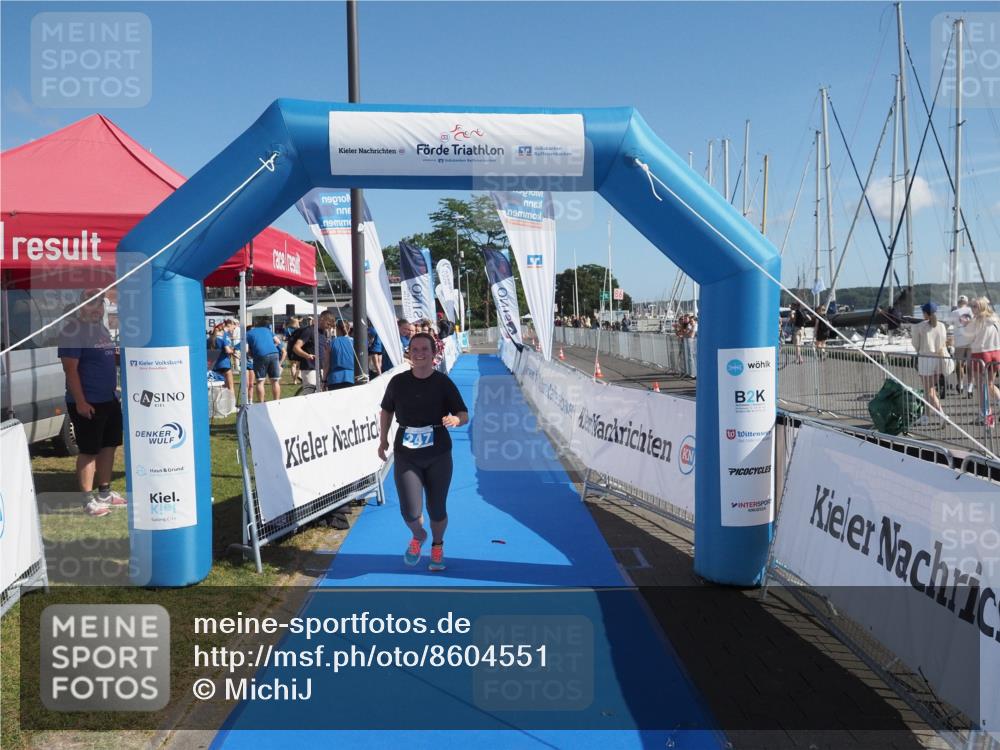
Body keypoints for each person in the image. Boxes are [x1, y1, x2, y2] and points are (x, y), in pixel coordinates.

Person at [377, 332, 469, 572]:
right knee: (410, 511)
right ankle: (419, 536)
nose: (419, 354)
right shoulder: (398, 382)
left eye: (424, 349)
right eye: (414, 349)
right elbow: (386, 411)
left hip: (438, 452)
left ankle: (437, 546)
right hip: (407, 453)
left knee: (437, 508)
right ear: (408, 353)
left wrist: (455, 420)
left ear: (433, 353)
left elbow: (463, 413)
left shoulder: (442, 382)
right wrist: (383, 439)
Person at [58, 290, 126, 516]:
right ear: (80, 307)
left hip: (109, 398)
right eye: (91, 305)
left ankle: (104, 491)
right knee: (89, 450)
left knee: (109, 445)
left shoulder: (101, 329)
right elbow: (70, 369)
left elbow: (105, 357)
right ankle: (87, 500)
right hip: (88, 402)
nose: (96, 310)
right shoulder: (72, 331)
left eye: (100, 306)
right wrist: (80, 402)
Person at [911, 302, 949, 426]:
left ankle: (942, 415)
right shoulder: (942, 326)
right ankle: (926, 416)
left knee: (929, 390)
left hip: (925, 359)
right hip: (938, 359)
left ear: (925, 313)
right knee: (929, 390)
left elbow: (915, 344)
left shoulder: (919, 326)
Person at [968, 297, 1000, 426]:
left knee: (982, 386)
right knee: (989, 384)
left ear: (981, 307)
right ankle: (987, 412)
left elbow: (968, 337)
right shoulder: (995, 319)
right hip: (996, 352)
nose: (972, 309)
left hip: (981, 353)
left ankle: (986, 415)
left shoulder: (977, 321)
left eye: (974, 306)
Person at [292, 313, 333, 393]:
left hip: (321, 369)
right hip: (310, 370)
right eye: (328, 324)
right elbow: (296, 347)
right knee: (310, 396)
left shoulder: (323, 332)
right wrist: (307, 355)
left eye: (330, 325)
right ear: (322, 319)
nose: (329, 326)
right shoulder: (309, 331)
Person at [246, 317, 282, 402]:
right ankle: (277, 402)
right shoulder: (267, 330)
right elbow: (278, 342)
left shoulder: (248, 333)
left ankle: (261, 403)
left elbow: (246, 350)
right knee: (275, 380)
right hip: (274, 353)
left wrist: (252, 354)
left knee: (260, 381)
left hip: (260, 354)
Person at [950, 295, 975, 398]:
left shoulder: (954, 313)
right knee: (970, 366)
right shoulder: (971, 311)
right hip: (971, 341)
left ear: (958, 302)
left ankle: (960, 385)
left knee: (959, 365)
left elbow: (949, 324)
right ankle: (970, 388)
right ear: (967, 302)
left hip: (959, 342)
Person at [326, 319, 356, 390]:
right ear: (348, 329)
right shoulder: (356, 342)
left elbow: (326, 364)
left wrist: (324, 380)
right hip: (352, 378)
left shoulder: (331, 343)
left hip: (334, 379)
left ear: (337, 329)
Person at [209, 320, 236, 393]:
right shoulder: (224, 337)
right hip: (224, 364)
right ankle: (232, 404)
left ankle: (220, 403)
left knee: (219, 388)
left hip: (214, 365)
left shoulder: (210, 338)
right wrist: (233, 351)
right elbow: (227, 350)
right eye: (234, 328)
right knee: (230, 387)